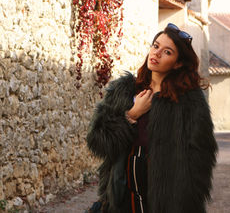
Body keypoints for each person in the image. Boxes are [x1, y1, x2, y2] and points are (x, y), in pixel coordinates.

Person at [86, 23, 218, 213]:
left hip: (168, 202)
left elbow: (201, 157)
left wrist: (185, 200)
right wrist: (131, 115)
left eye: (167, 52)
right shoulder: (124, 90)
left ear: (178, 63)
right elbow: (97, 141)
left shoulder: (189, 101)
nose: (156, 54)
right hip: (123, 197)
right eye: (155, 46)